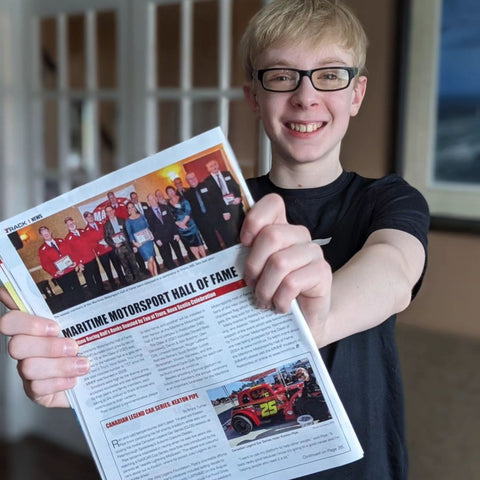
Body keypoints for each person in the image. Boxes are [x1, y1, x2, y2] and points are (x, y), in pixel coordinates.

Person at [0, 2, 429, 479]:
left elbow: (393, 270)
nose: (306, 97)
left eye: (329, 75)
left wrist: (308, 324)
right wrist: (77, 382)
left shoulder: (387, 200)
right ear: (254, 96)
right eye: (282, 76)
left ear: (356, 93)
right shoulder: (221, 211)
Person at [36, 225, 84, 309]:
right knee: (68, 293)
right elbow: (45, 264)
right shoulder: (42, 249)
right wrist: (55, 272)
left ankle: (84, 304)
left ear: (50, 232)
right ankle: (76, 308)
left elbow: (70, 252)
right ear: (41, 236)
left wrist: (74, 262)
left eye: (47, 232)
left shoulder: (60, 240)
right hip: (60, 274)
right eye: (43, 234)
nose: (46, 234)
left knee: (78, 288)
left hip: (70, 270)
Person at [202, 159, 245, 247]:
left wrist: (238, 197)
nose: (214, 167)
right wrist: (224, 211)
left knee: (243, 225)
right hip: (222, 210)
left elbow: (236, 186)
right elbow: (212, 199)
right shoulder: (207, 181)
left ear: (218, 165)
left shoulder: (227, 174)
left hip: (235, 204)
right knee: (229, 233)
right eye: (211, 166)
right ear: (208, 169)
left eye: (215, 164)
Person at [83, 211, 128, 289]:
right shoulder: (86, 231)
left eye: (91, 215)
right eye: (88, 217)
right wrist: (100, 243)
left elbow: (108, 233)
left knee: (117, 266)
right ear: (86, 219)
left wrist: (109, 242)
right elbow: (90, 244)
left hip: (110, 248)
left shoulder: (101, 223)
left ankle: (123, 281)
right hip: (101, 252)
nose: (90, 217)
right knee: (108, 270)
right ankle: (113, 285)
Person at [64, 217, 106, 298]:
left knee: (97, 275)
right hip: (83, 262)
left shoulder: (82, 231)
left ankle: (102, 291)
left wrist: (97, 244)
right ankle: (95, 295)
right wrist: (78, 263)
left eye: (72, 223)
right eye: (69, 224)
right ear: (67, 226)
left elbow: (91, 241)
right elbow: (71, 253)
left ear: (74, 222)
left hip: (92, 258)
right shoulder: (68, 238)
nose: (71, 225)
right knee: (89, 280)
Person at [183, 171, 222, 253]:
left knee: (223, 234)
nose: (192, 180)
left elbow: (216, 199)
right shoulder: (187, 194)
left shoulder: (206, 185)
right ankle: (215, 253)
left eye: (193, 177)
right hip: (201, 221)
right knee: (209, 239)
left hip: (214, 216)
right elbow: (188, 210)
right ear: (187, 181)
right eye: (190, 179)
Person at [144, 193, 183, 270]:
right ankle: (172, 269)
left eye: (153, 198)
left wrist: (176, 233)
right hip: (160, 237)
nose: (152, 201)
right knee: (167, 256)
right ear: (148, 201)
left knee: (178, 252)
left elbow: (172, 220)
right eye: (150, 200)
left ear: (156, 198)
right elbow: (150, 227)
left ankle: (183, 264)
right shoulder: (147, 213)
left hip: (172, 233)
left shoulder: (164, 207)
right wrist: (156, 239)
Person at [165, 186, 206, 259]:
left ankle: (205, 258)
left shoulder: (183, 199)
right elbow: (171, 217)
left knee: (198, 242)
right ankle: (198, 259)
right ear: (167, 194)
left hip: (190, 224)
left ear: (174, 191)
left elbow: (188, 211)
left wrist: (183, 223)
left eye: (172, 191)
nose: (171, 193)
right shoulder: (168, 205)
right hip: (181, 228)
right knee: (190, 244)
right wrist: (179, 224)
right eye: (169, 192)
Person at [103, 205, 141, 283]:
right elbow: (107, 238)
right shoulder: (106, 225)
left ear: (113, 211)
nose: (110, 213)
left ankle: (138, 277)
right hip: (118, 248)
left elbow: (129, 233)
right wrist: (114, 244)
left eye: (111, 211)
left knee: (133, 262)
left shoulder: (122, 220)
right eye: (108, 212)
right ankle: (130, 280)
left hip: (127, 245)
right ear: (106, 213)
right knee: (125, 265)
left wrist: (133, 245)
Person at [125, 201, 157, 277]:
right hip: (140, 243)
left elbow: (147, 226)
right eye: (129, 208)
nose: (131, 209)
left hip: (148, 240)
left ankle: (157, 275)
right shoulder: (128, 221)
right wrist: (134, 243)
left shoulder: (141, 216)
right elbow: (129, 233)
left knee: (152, 258)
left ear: (135, 207)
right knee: (150, 259)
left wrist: (151, 234)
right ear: (128, 210)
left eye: (132, 207)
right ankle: (153, 276)